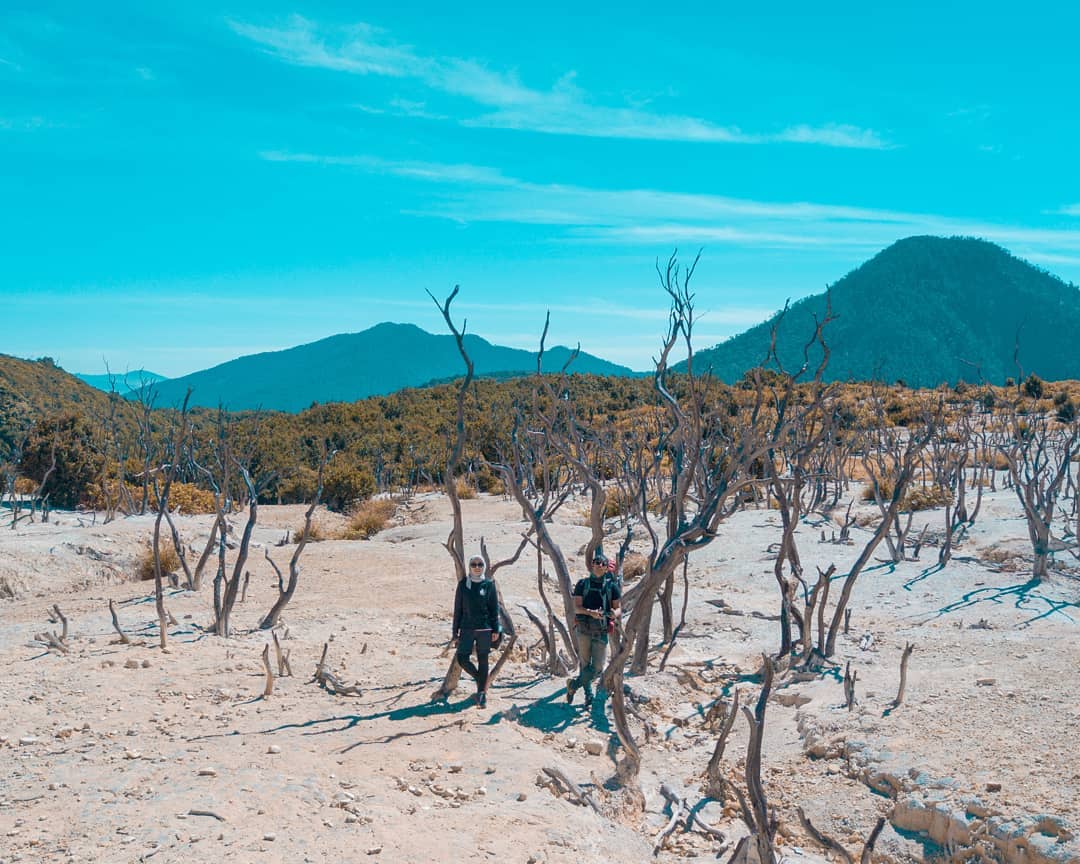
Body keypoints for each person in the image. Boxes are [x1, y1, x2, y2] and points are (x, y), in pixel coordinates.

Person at [566, 550, 621, 708]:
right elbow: (576, 608)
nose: (599, 566)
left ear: (606, 568)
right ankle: (588, 695)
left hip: (601, 630)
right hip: (583, 630)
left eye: (603, 564)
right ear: (592, 565)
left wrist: (613, 613)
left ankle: (573, 685)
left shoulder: (612, 587)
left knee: (597, 668)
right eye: (597, 563)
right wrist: (590, 612)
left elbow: (618, 609)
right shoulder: (582, 584)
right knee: (584, 665)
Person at [452, 556, 502, 707]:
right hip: (467, 628)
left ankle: (481, 695)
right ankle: (480, 678)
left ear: (484, 566)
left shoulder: (488, 585)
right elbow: (458, 609)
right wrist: (455, 631)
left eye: (480, 564)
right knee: (462, 658)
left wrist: (496, 628)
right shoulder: (463, 585)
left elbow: (494, 609)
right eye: (474, 564)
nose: (477, 567)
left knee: (483, 659)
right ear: (469, 566)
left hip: (485, 628)